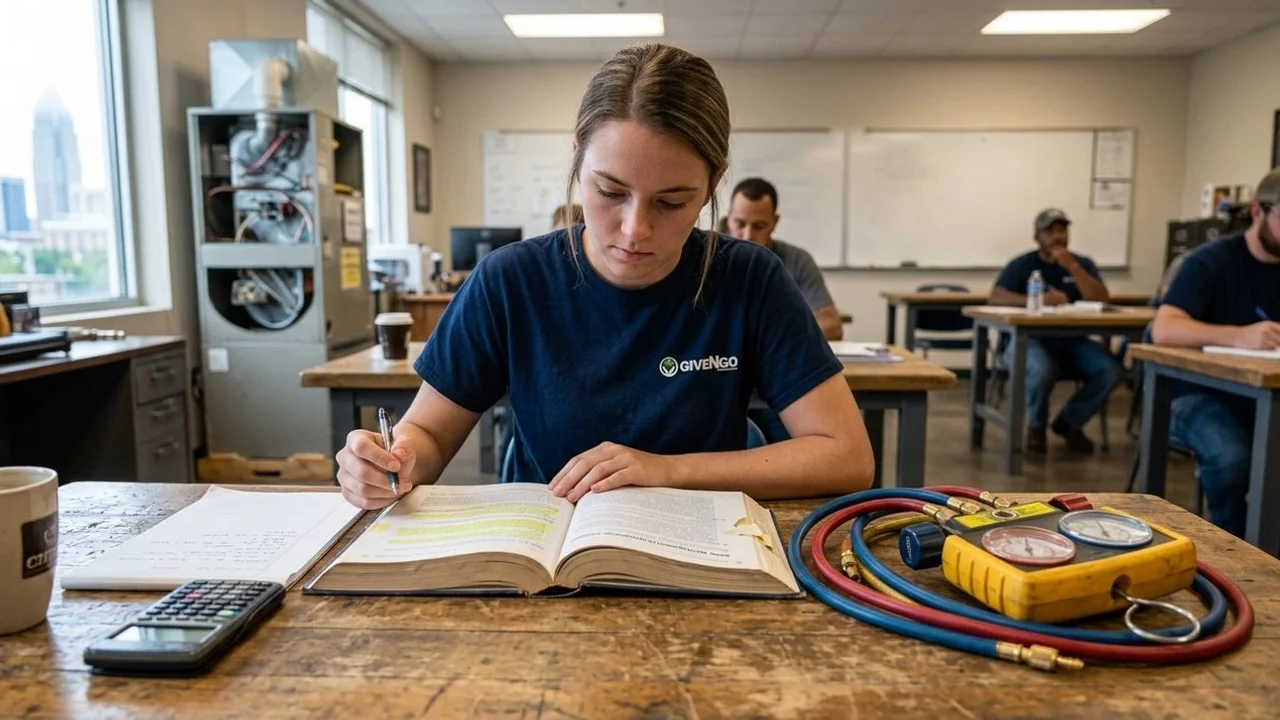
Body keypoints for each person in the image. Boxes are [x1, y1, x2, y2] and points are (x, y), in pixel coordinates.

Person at [335, 43, 874, 510]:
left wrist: (668, 470)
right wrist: (394, 461)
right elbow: (428, 432)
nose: (635, 229)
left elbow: (846, 455)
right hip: (543, 551)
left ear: (711, 189)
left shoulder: (750, 279)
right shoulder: (511, 281)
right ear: (576, 161)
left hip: (701, 544)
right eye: (610, 192)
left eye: (671, 201)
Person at [1151, 167, 1280, 538]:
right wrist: (1239, 337)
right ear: (1258, 212)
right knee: (1231, 456)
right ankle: (1234, 548)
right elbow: (1164, 329)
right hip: (1195, 395)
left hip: (1266, 396)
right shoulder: (1209, 261)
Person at [989, 208, 1122, 454]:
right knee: (1040, 369)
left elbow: (1102, 298)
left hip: (1072, 341)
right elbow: (996, 296)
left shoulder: (1082, 264)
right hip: (1028, 341)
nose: (1057, 236)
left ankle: (1069, 422)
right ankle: (1036, 428)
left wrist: (1072, 267)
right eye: (1050, 231)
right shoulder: (1022, 264)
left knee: (1110, 370)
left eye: (1062, 230)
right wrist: (1036, 300)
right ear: (1037, 235)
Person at [724, 178, 843, 341]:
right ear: (729, 217)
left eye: (759, 226)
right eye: (740, 224)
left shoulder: (798, 260)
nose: (748, 236)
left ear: (775, 222)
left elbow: (831, 327)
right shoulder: (705, 258)